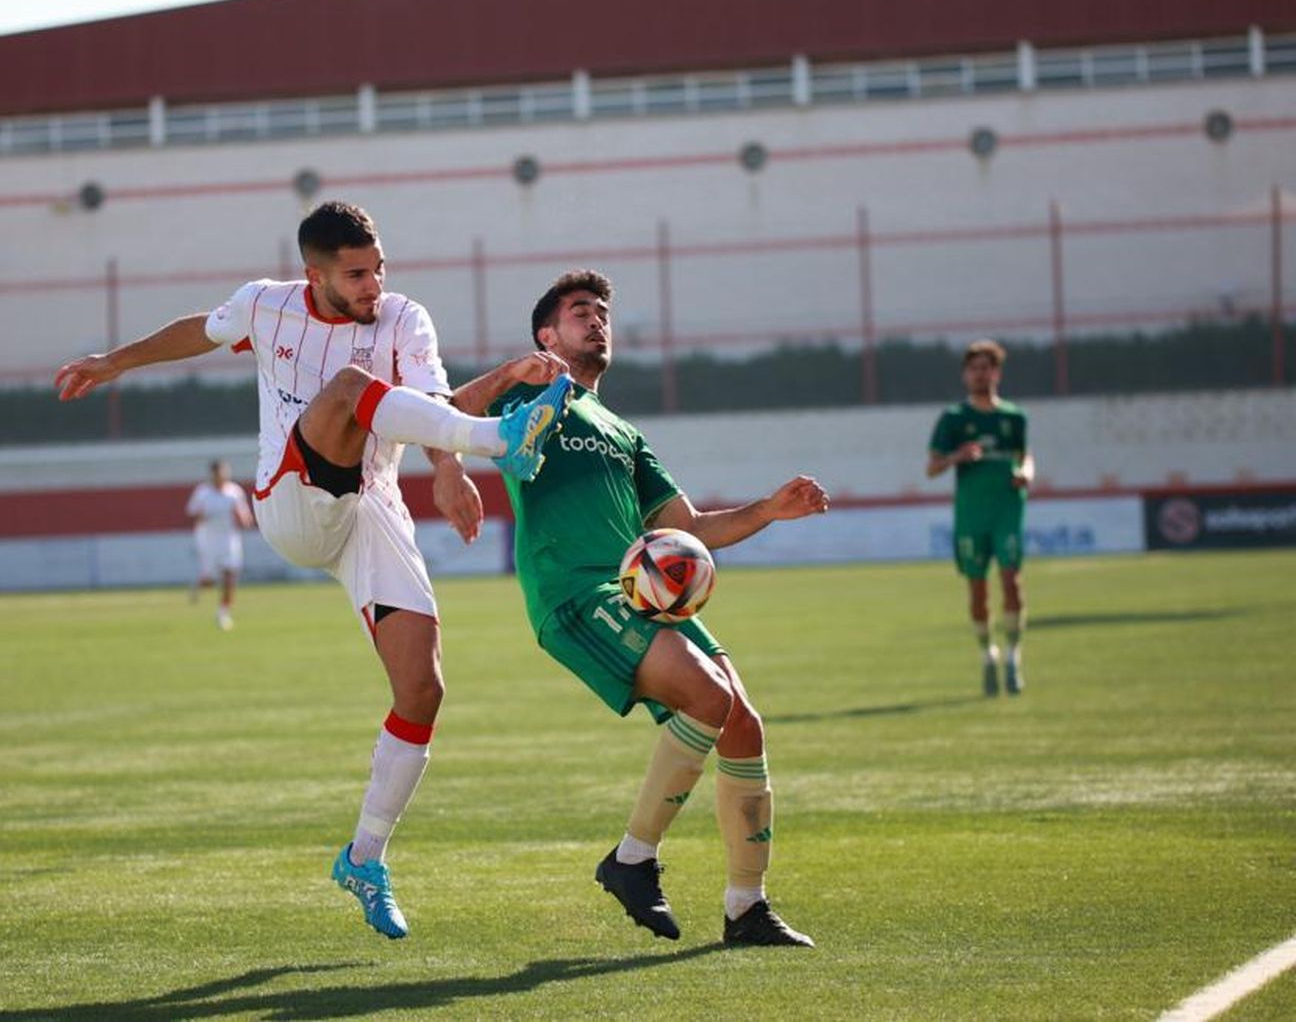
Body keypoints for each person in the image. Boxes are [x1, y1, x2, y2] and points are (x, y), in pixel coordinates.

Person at [54, 201, 572, 939]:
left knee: (422, 688)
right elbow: (199, 330)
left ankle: (364, 856)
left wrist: (451, 465)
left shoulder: (404, 317)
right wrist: (114, 361)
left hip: (372, 510)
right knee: (350, 388)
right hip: (292, 502)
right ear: (315, 273)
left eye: (380, 267)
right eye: (357, 273)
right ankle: (508, 441)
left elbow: (430, 405)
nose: (375, 284)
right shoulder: (265, 306)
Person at [464, 269, 828, 947]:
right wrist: (509, 372)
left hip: (641, 595)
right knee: (711, 699)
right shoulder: (527, 395)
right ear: (547, 334)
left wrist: (770, 510)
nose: (597, 319)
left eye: (603, 311)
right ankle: (633, 859)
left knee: (743, 722)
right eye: (580, 312)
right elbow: (441, 411)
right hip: (576, 592)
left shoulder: (625, 432)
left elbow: (687, 526)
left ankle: (746, 907)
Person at [926, 340, 1034, 696]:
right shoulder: (954, 419)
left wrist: (1026, 473)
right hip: (972, 512)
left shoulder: (1014, 417)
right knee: (978, 589)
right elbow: (932, 468)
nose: (980, 373)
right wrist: (958, 456)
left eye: (986, 367)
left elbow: (1026, 456)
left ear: (997, 373)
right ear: (965, 375)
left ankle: (1014, 656)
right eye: (974, 368)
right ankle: (988, 653)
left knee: (1012, 580)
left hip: (1007, 506)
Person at [186, 460, 254, 630]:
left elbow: (244, 514)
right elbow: (192, 512)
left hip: (229, 538)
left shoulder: (234, 491)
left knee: (230, 576)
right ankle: (199, 585)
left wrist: (245, 520)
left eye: (225, 472)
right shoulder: (203, 493)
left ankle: (223, 613)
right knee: (210, 580)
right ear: (213, 474)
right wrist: (201, 515)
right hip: (208, 540)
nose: (223, 476)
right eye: (219, 473)